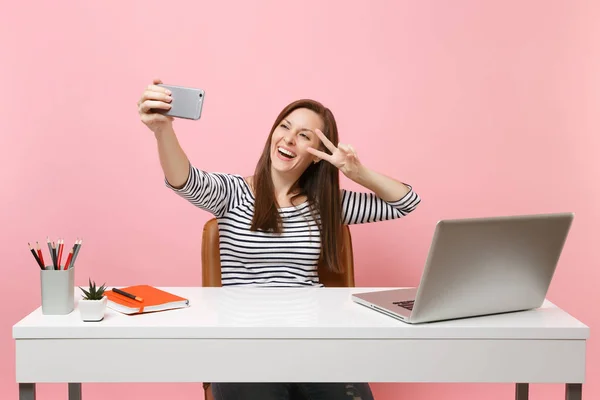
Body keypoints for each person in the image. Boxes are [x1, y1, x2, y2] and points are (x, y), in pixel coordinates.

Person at [137, 78, 421, 400]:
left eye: (304, 136)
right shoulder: (233, 193)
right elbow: (184, 179)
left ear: (317, 155)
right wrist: (163, 130)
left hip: (314, 344)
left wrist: (357, 173)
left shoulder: (326, 205)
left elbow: (406, 202)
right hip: (245, 345)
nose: (289, 139)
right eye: (284, 127)